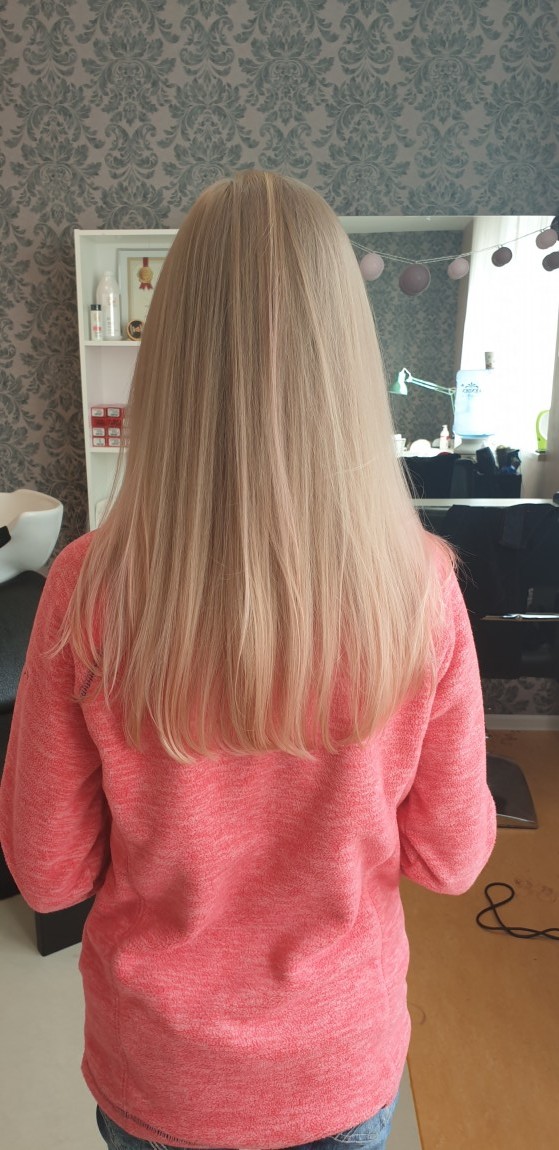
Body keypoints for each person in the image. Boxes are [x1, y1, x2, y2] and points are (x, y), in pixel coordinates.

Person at [0, 171, 497, 1150]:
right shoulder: (419, 589)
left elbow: (48, 874)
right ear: (345, 359)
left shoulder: (87, 588)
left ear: (169, 356)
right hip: (336, 1063)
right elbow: (451, 859)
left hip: (161, 1071)